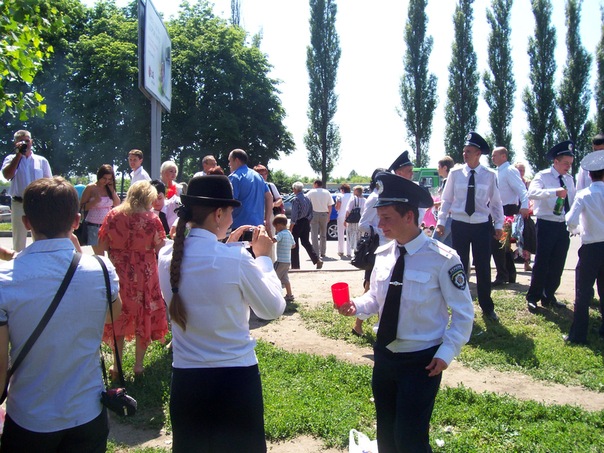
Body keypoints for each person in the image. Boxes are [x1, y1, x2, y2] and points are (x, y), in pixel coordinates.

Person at [336, 172, 474, 452]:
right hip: (384, 356)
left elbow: (463, 313)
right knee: (386, 435)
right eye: (379, 217)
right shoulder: (384, 254)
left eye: (387, 218)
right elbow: (376, 298)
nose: (380, 224)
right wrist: (356, 306)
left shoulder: (442, 258)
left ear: (409, 216)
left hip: (421, 361)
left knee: (410, 439)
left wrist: (446, 353)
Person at [157, 175, 285, 453]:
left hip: (187, 382)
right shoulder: (236, 259)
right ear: (218, 214)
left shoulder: (166, 257)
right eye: (230, 212)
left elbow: (205, 267)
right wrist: (263, 257)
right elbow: (273, 308)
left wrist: (225, 245)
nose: (232, 219)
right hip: (235, 380)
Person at [0, 176, 121, 451]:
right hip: (87, 411)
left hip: (30, 414)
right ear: (77, 221)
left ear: (26, 222)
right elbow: (112, 316)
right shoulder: (102, 269)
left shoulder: (5, 279)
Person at [98, 180, 167, 376]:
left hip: (119, 273)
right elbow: (161, 249)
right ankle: (138, 365)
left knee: (118, 316)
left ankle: (117, 365)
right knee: (143, 316)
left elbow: (101, 247)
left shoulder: (112, 215)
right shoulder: (152, 220)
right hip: (145, 274)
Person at [436, 131, 503, 322]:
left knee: (483, 267)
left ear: (478, 154)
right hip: (460, 225)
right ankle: (460, 306)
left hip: (482, 226)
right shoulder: (456, 174)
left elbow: (496, 202)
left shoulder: (490, 175)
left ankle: (487, 307)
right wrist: (441, 222)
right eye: (464, 151)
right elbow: (446, 200)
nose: (465, 154)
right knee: (459, 266)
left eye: (469, 151)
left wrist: (498, 224)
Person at [525, 141, 576, 312]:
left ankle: (549, 295)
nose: (568, 167)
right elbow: (532, 193)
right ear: (556, 161)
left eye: (570, 164)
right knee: (542, 262)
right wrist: (554, 192)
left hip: (563, 225)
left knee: (558, 262)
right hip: (546, 223)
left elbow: (573, 201)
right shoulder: (543, 176)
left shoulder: (569, 179)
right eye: (565, 163)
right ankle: (533, 296)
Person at [564, 150, 604, 344]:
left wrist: (578, 229)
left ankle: (578, 334)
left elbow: (570, 220)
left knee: (583, 291)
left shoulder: (584, 194)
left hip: (591, 248)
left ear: (589, 175)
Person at [1, 129, 52, 252]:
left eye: (27, 141)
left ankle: (39, 261)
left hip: (38, 203)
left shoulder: (41, 161)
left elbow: (49, 182)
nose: (25, 143)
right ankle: (19, 262)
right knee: (19, 240)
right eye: (21, 141)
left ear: (32, 142)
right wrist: (18, 155)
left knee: (41, 237)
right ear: (16, 143)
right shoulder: (11, 159)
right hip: (19, 203)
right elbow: (7, 175)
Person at [353, 168, 387, 336]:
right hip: (376, 248)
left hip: (383, 247)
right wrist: (382, 231)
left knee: (379, 287)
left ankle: (377, 326)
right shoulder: (374, 198)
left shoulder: (380, 197)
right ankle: (358, 325)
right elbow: (362, 225)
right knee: (372, 287)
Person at [491, 146, 530, 286]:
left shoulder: (509, 170)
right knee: (502, 245)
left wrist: (525, 205)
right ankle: (509, 274)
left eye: (495, 155)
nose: (492, 158)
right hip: (498, 210)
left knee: (499, 244)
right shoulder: (497, 171)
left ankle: (503, 275)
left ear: (504, 156)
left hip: (507, 211)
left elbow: (521, 189)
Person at [79, 164, 121, 255]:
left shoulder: (109, 188)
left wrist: (112, 190)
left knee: (111, 251)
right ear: (99, 176)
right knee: (99, 253)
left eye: (109, 179)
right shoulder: (91, 188)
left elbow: (117, 204)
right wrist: (94, 202)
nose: (106, 181)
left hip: (108, 224)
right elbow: (81, 207)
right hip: (94, 225)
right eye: (104, 178)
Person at [227, 149, 271, 232]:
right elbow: (269, 197)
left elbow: (230, 202)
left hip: (240, 227)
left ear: (236, 160)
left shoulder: (235, 177)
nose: (229, 164)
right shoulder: (258, 176)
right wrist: (267, 219)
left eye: (230, 161)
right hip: (258, 226)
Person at [290, 181, 322, 270]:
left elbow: (294, 215)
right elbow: (311, 213)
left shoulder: (296, 199)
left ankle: (295, 266)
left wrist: (291, 227)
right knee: (306, 242)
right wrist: (307, 221)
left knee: (294, 244)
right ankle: (316, 259)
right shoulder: (307, 199)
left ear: (295, 189)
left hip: (298, 223)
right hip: (306, 222)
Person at [514, 160, 534, 271]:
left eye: (523, 170)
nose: (521, 172)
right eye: (519, 170)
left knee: (528, 237)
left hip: (525, 214)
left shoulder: (527, 183)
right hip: (514, 214)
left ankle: (527, 262)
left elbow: (531, 198)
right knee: (512, 239)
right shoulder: (512, 181)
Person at [306, 179, 334, 258]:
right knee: (323, 234)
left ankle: (315, 252)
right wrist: (329, 216)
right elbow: (330, 206)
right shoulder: (327, 192)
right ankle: (323, 252)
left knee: (314, 234)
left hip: (314, 214)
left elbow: (306, 203)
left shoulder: (311, 192)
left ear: (315, 184)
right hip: (324, 214)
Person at [272, 214, 295, 302]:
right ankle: (289, 295)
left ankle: (275, 295)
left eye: (275, 227)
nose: (276, 229)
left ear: (279, 225)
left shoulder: (281, 234)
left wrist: (269, 233)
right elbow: (293, 245)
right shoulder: (289, 233)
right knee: (285, 278)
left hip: (280, 261)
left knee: (274, 277)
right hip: (287, 261)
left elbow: (273, 240)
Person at [433, 156, 455, 247]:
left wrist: (434, 204)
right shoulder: (448, 181)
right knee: (448, 247)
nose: (437, 169)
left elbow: (450, 201)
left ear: (445, 168)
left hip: (447, 217)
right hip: (451, 218)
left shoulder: (449, 181)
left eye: (439, 166)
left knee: (434, 244)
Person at [345, 185, 365, 255]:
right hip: (361, 220)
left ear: (356, 191)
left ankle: (355, 252)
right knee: (359, 236)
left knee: (352, 236)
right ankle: (358, 252)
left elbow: (348, 211)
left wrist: (345, 220)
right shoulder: (365, 200)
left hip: (353, 221)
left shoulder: (353, 199)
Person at [335, 183, 352, 257]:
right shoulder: (352, 196)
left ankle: (341, 251)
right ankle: (349, 252)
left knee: (340, 234)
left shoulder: (340, 196)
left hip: (341, 216)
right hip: (350, 216)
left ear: (342, 190)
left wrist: (336, 206)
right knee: (349, 234)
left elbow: (338, 207)